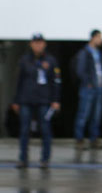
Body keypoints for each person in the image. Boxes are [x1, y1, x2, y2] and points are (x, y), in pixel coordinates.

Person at [11, 33, 61, 169]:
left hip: (44, 100)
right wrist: (16, 100)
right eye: (35, 42)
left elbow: (56, 81)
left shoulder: (51, 61)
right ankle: (23, 159)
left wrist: (55, 100)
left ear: (44, 44)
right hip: (26, 100)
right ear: (31, 44)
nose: (38, 45)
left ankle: (45, 159)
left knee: (45, 130)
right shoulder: (24, 60)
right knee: (24, 130)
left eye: (40, 42)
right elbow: (18, 81)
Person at [73, 29, 102, 150]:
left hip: (99, 88)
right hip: (88, 88)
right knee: (84, 114)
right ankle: (79, 140)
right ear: (93, 38)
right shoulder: (85, 53)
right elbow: (80, 70)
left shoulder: (98, 53)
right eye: (99, 37)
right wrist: (88, 83)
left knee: (96, 115)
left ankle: (94, 139)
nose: (101, 40)